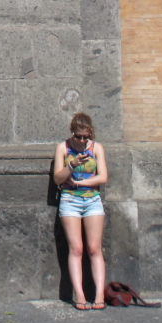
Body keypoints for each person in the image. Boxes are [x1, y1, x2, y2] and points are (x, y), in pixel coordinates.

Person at [52, 112, 108, 310]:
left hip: (92, 199)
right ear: (72, 132)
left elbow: (102, 177)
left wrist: (82, 182)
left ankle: (99, 293)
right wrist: (72, 165)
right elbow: (58, 179)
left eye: (86, 136)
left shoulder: (97, 148)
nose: (82, 140)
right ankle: (80, 294)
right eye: (78, 136)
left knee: (94, 248)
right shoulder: (63, 148)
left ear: (90, 133)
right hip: (69, 199)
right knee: (76, 248)